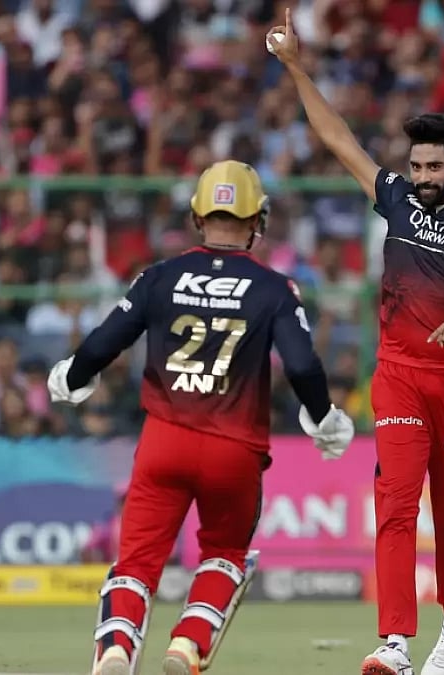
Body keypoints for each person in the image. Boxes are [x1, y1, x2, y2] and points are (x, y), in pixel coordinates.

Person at [268, 11, 444, 675]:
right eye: (414, 164)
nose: (420, 175)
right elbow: (336, 137)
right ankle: (394, 642)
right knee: (396, 501)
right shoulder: (397, 200)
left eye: (433, 166)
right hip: (400, 377)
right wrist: (297, 66)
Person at [47, 160, 355, 675]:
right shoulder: (274, 288)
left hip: (164, 441)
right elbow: (301, 364)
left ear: (197, 216)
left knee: (137, 564)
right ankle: (186, 644)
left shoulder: (158, 277)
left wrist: (74, 377)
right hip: (234, 449)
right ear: (257, 220)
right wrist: (324, 419)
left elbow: (104, 342)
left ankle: (117, 648)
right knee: (226, 553)